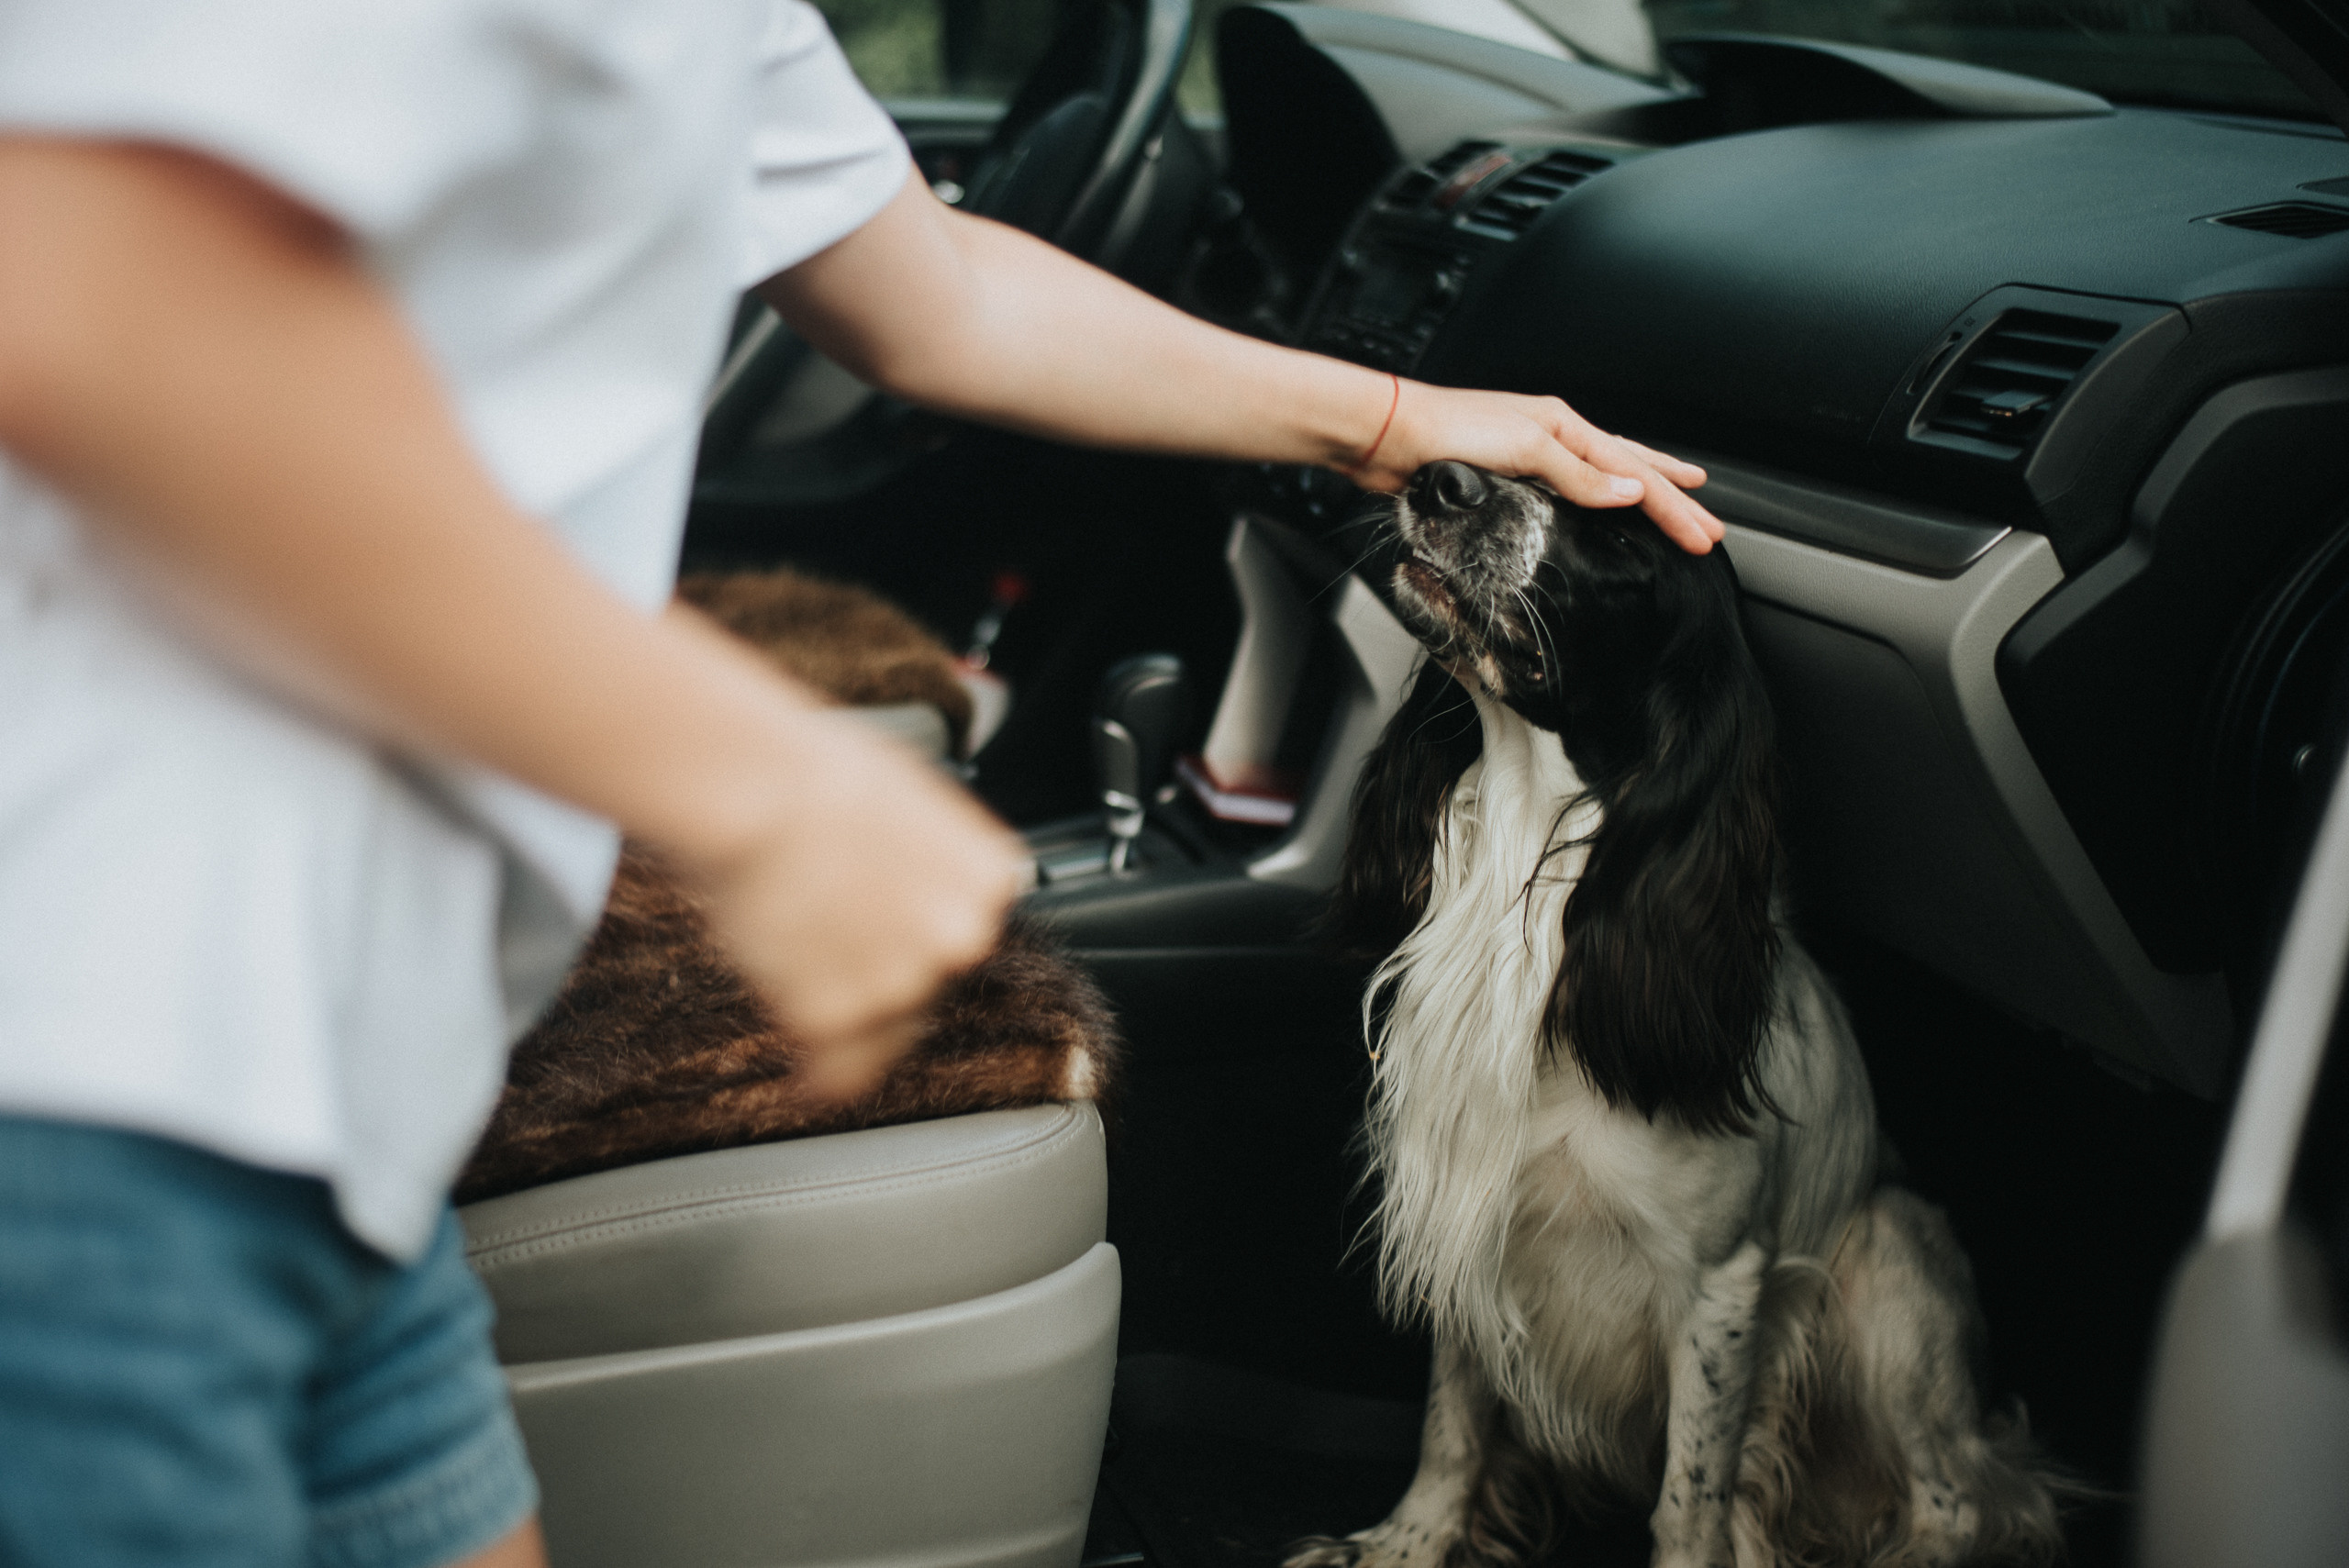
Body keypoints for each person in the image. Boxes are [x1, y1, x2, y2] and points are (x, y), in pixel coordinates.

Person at [0, 3, 1723, 1564]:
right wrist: (762, 786)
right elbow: (94, 288)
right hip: (96, 1085)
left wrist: (1389, 419)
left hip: (337, 1102)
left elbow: (938, 290)